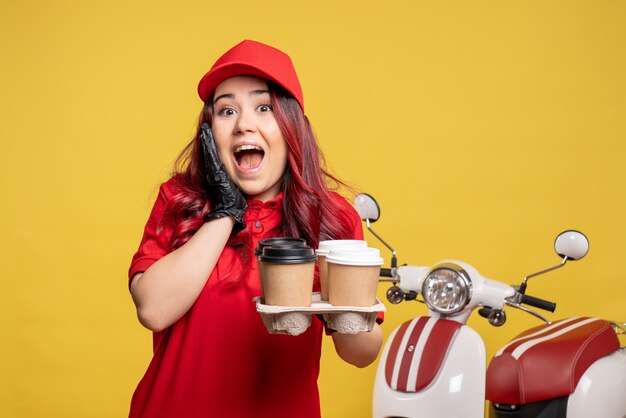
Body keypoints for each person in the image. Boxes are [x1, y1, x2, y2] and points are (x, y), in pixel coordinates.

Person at [127, 39, 383, 418]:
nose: (244, 124)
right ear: (209, 133)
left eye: (264, 108)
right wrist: (227, 211)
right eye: (226, 110)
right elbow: (153, 309)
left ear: (291, 127)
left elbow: (361, 354)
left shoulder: (332, 216)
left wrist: (341, 303)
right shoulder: (179, 199)